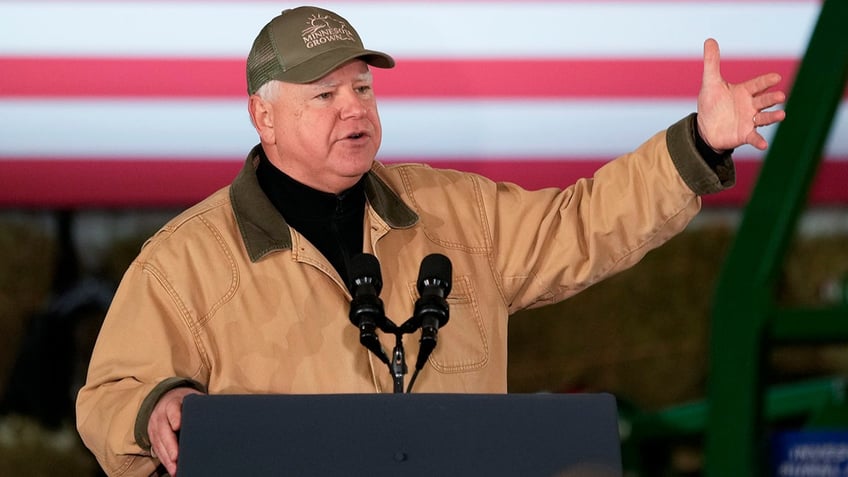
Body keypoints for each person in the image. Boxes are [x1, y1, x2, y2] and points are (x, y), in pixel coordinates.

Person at [75, 5, 786, 476]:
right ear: (263, 115)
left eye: (362, 89)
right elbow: (109, 393)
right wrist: (155, 406)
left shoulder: (456, 211)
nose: (353, 108)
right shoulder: (186, 259)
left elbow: (582, 224)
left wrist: (695, 145)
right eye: (324, 96)